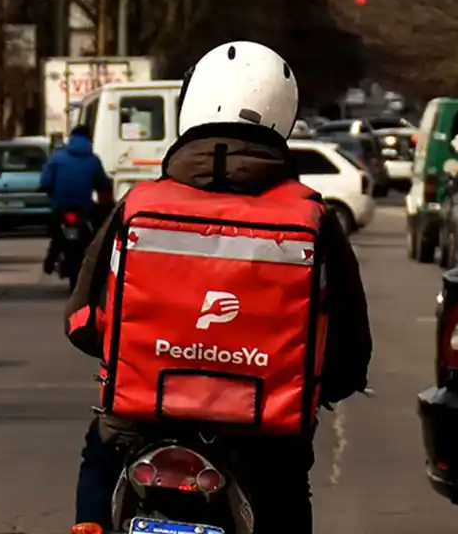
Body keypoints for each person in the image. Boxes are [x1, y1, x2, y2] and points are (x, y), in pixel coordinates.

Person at [64, 41, 373, 532]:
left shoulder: (140, 205)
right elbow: (351, 345)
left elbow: (81, 320)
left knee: (98, 458)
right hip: (268, 433)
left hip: (143, 421)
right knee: (288, 492)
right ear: (283, 115)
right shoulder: (312, 218)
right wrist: (329, 382)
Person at [39, 125, 111, 275]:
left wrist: (51, 193)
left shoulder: (57, 157)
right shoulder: (93, 160)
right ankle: (98, 261)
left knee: (56, 234)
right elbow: (102, 184)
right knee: (93, 232)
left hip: (61, 205)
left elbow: (45, 182)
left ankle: (50, 260)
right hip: (84, 207)